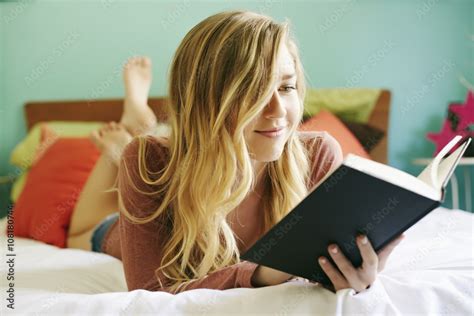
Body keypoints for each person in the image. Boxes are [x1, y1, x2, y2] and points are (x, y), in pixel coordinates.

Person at [66, 10, 404, 295]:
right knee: (80, 233)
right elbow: (151, 289)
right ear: (205, 102)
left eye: (285, 87)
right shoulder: (147, 160)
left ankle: (138, 120)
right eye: (253, 91)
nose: (277, 111)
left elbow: (326, 261)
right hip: (118, 219)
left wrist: (355, 274)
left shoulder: (318, 153)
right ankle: (132, 125)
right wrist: (259, 274)